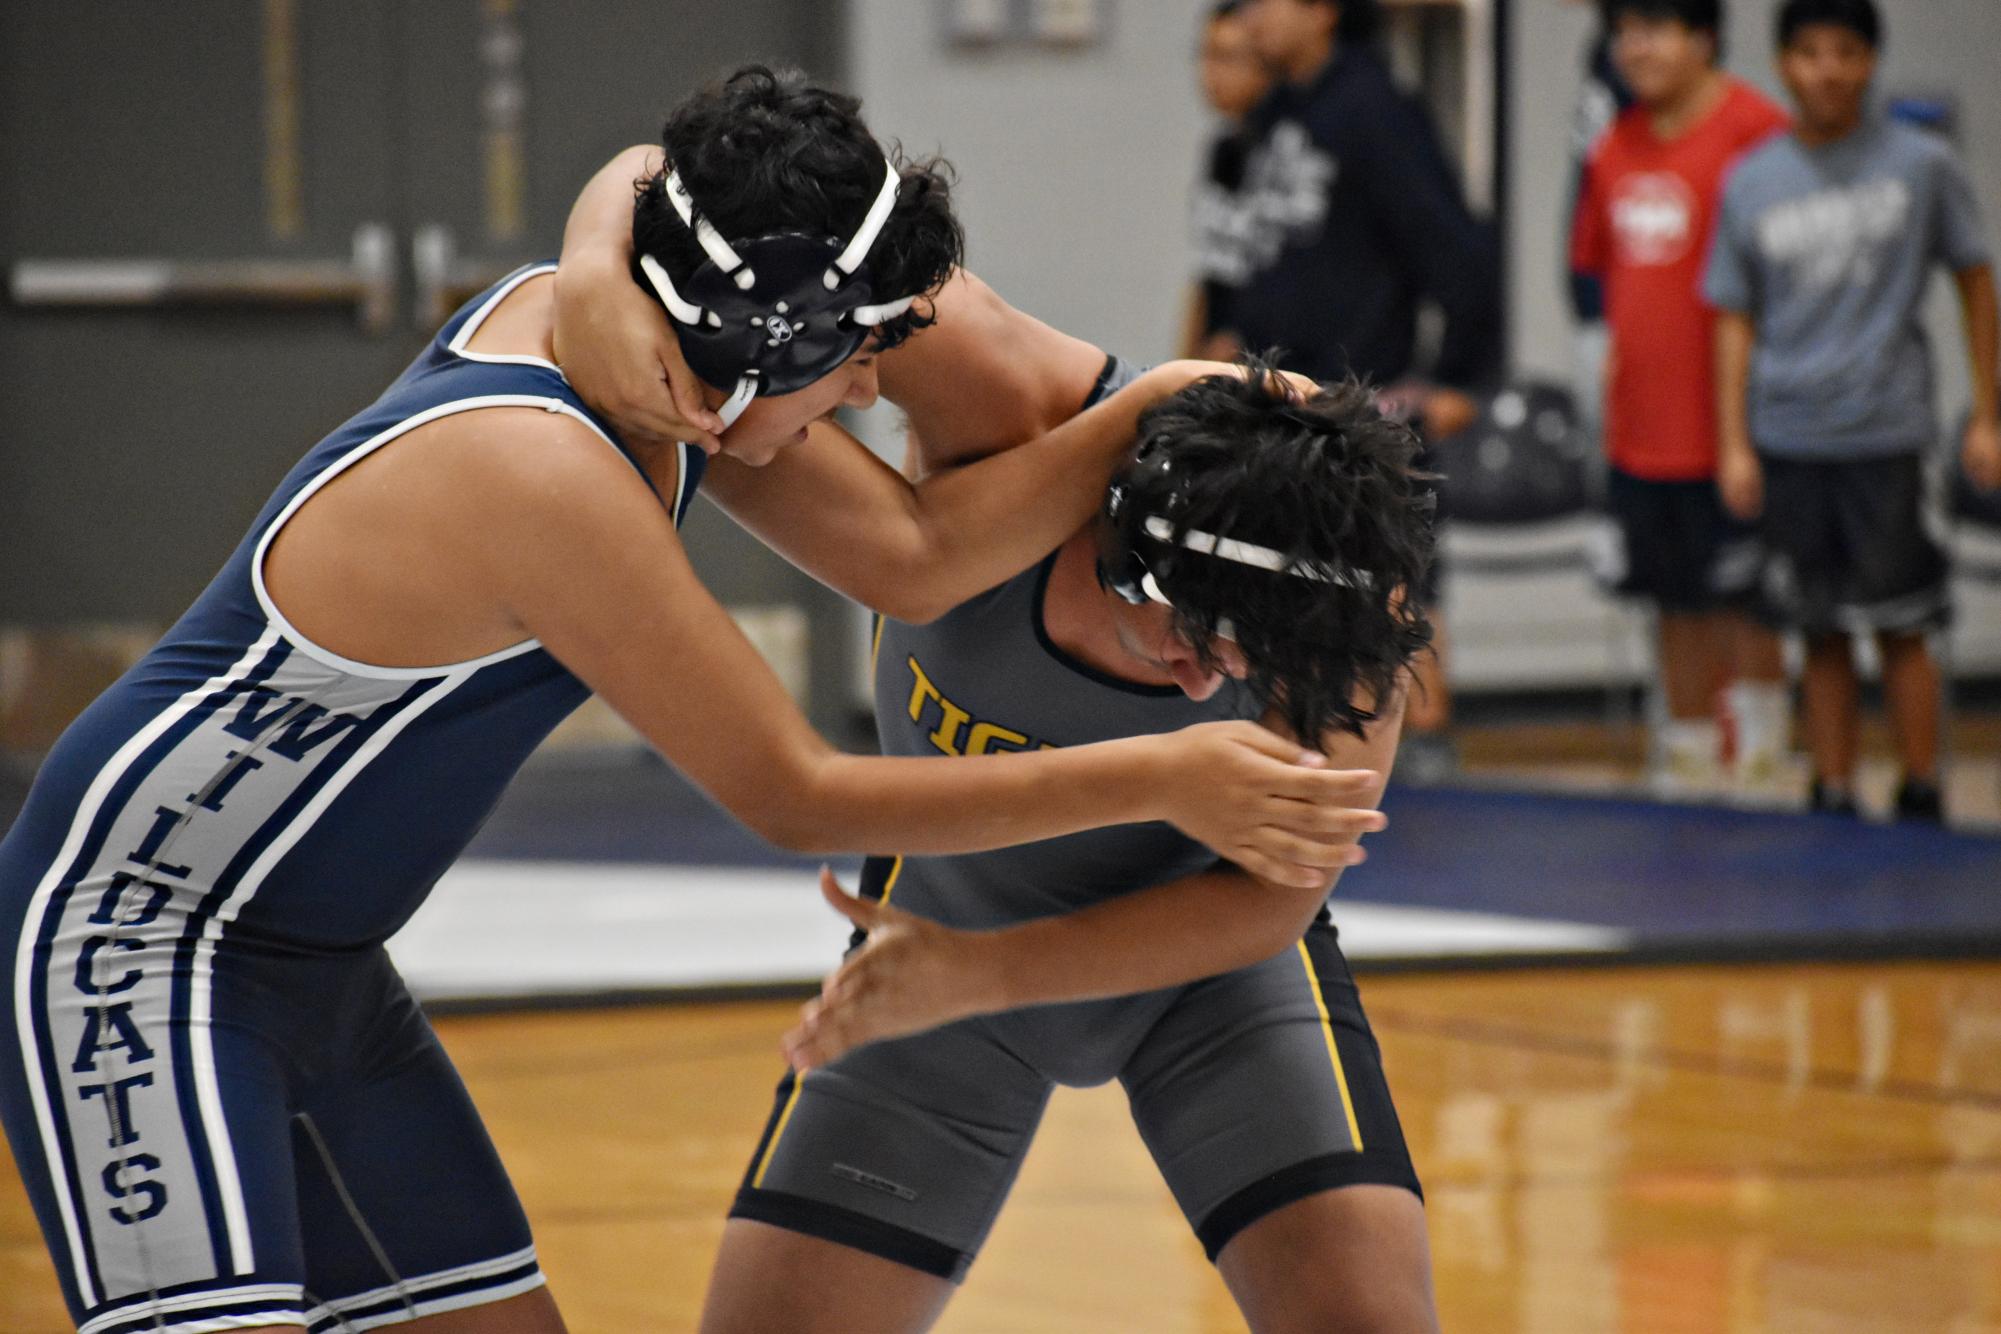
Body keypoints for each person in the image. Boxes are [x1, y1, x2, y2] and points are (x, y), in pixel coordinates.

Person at [0, 68, 1376, 1334]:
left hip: (316, 965)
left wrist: (1182, 403)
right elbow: (795, 792)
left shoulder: (640, 352)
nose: (861, 392)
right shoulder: (544, 473)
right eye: (846, 364)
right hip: (139, 948)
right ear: (759, 342)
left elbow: (909, 552)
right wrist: (1164, 774)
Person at [555, 201, 1439, 1328]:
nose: (1203, 686)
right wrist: (590, 270)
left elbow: (1271, 901)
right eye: (1183, 632)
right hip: (943, 934)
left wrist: (985, 972)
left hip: (1195, 968)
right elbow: (693, 189)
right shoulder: (1011, 403)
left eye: (1244, 664)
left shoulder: (1353, 615)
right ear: (1122, 523)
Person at [1707, 0, 2000, 820]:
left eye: (1844, 52)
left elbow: (1975, 282)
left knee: (1902, 623)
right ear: (1783, 64)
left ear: (1870, 62)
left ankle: (1921, 787)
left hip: (1887, 433)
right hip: (1789, 435)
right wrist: (1733, 443)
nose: (1826, 69)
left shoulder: (1920, 165)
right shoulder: (1753, 178)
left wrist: (1988, 415)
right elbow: (1732, 318)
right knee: (1816, 628)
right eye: (1807, 53)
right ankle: (1830, 789)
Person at [1570, 0, 1793, 792]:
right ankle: (1692, 759)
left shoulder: (1759, 133)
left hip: (1737, 424)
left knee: (1747, 601)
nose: (1636, 48)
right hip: (1641, 423)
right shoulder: (1613, 147)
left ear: (1702, 38)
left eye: (1655, 28)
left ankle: (1762, 758)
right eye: (1625, 31)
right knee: (1673, 599)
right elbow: (1606, 281)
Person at [1182, 0, 1272, 361]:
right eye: (1205, 54)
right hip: (1218, 352)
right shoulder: (1224, 149)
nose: (1210, 72)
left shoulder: (1281, 154)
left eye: (1227, 57)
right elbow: (1211, 269)